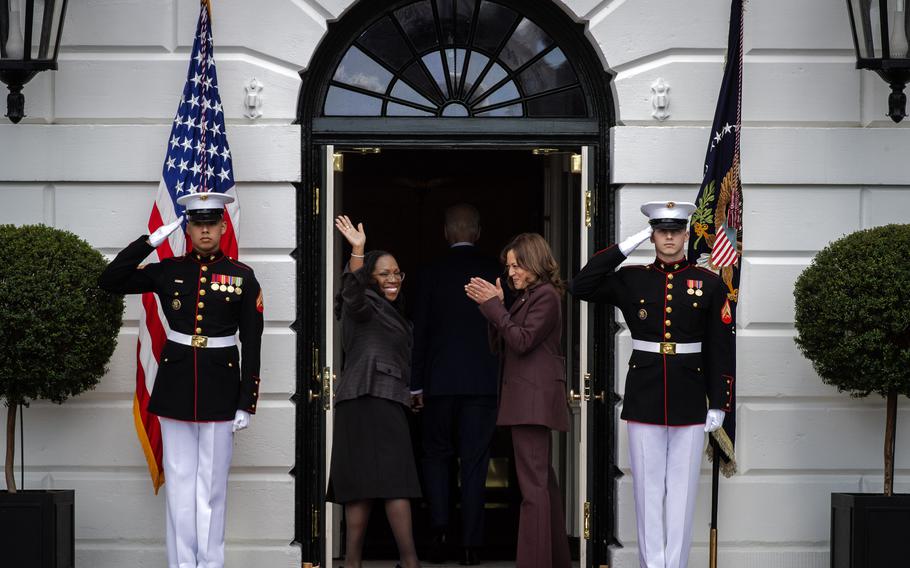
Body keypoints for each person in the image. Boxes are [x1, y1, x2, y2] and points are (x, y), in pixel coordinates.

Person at [99, 191, 263, 568]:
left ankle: (210, 564)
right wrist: (150, 241)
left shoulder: (242, 277)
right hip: (174, 386)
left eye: (211, 224)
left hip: (221, 390)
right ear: (187, 229)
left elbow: (252, 344)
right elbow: (111, 280)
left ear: (224, 227)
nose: (205, 231)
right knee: (180, 484)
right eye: (197, 224)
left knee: (212, 490)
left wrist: (246, 401)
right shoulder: (168, 270)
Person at [569, 201, 735, 568]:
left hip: (691, 396)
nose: (670, 237)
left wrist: (719, 404)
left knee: (681, 492)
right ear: (653, 234)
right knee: (647, 491)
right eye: (661, 231)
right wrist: (627, 244)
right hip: (645, 393)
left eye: (676, 231)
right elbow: (581, 284)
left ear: (687, 234)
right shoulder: (632, 277)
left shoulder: (708, 283)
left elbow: (721, 346)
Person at [464, 233, 571, 568]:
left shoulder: (546, 297)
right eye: (508, 266)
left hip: (533, 403)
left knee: (533, 491)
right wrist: (498, 306)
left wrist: (495, 306)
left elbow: (522, 341)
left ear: (534, 262)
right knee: (543, 484)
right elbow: (502, 344)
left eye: (517, 265)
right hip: (527, 402)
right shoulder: (528, 297)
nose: (511, 273)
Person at [327, 215, 422, 568]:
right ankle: (389, 562)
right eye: (385, 273)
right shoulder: (361, 305)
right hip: (366, 399)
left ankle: (390, 561)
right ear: (369, 277)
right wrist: (357, 251)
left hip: (385, 399)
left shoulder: (393, 311)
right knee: (373, 485)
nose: (393, 278)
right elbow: (350, 292)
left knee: (379, 485)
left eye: (397, 272)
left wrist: (410, 389)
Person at [410, 204, 501, 566]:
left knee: (436, 457)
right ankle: (471, 545)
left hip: (438, 381)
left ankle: (440, 533)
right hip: (482, 381)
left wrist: (415, 385)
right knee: (475, 462)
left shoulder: (430, 272)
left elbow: (421, 333)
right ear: (477, 232)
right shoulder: (496, 269)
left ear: (447, 232)